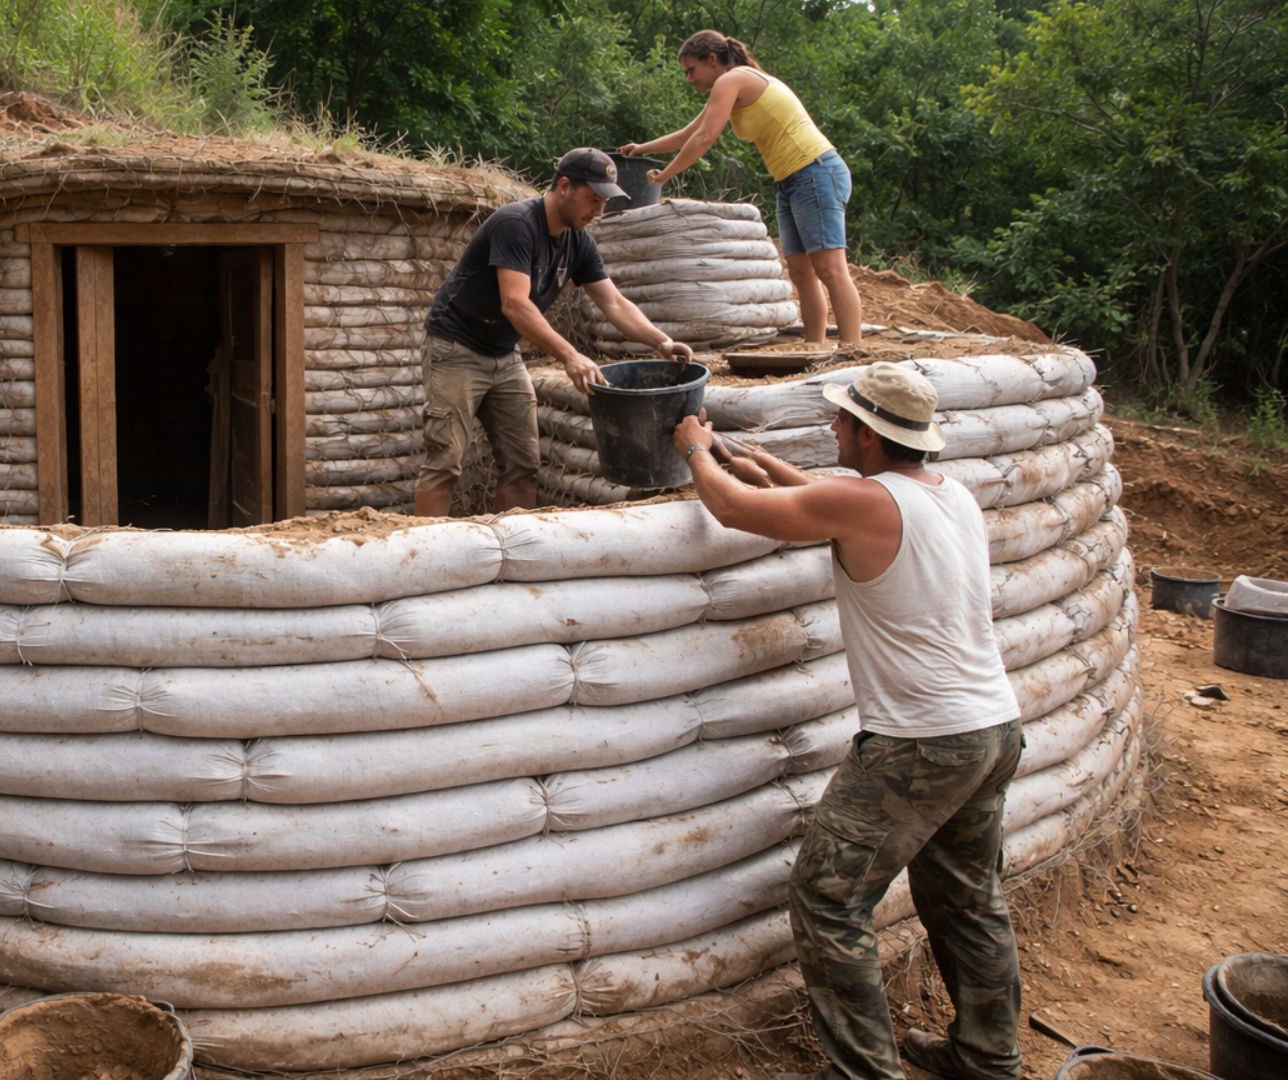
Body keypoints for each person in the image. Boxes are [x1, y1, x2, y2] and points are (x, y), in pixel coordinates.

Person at [672, 364, 1024, 1080]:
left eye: (842, 420)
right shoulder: (949, 494)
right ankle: (989, 1060)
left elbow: (732, 510)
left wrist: (696, 451)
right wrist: (764, 466)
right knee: (967, 899)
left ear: (866, 434)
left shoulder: (863, 503)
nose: (834, 426)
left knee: (828, 899)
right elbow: (836, 502)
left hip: (920, 745)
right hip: (992, 730)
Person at [415, 147, 696, 517]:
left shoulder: (579, 242)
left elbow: (613, 302)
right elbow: (515, 304)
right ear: (564, 186)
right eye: (592, 199)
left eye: (604, 202)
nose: (599, 211)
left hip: (503, 353)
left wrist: (661, 340)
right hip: (456, 348)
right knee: (445, 461)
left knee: (523, 464)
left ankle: (513, 544)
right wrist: (570, 355)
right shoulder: (516, 224)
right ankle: (426, 547)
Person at [621, 29, 864, 347]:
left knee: (830, 270)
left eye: (691, 70)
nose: (689, 79)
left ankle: (852, 350)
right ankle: (815, 349)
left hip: (815, 171)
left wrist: (667, 174)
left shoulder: (732, 79)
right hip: (791, 181)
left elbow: (705, 138)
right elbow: (689, 132)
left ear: (711, 59)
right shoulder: (730, 84)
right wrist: (641, 148)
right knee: (801, 273)